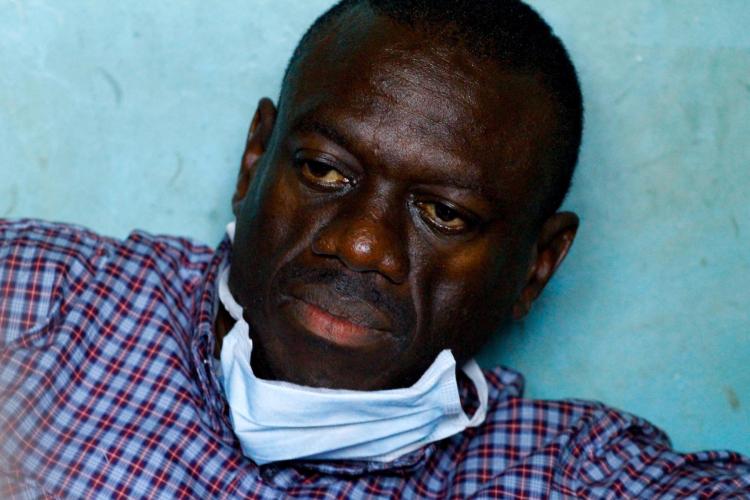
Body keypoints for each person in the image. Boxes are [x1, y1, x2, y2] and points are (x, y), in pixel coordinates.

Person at [1, 0, 748, 497]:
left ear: (537, 267)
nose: (361, 245)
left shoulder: (564, 476)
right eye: (325, 171)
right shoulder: (43, 305)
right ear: (255, 160)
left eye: (444, 215)